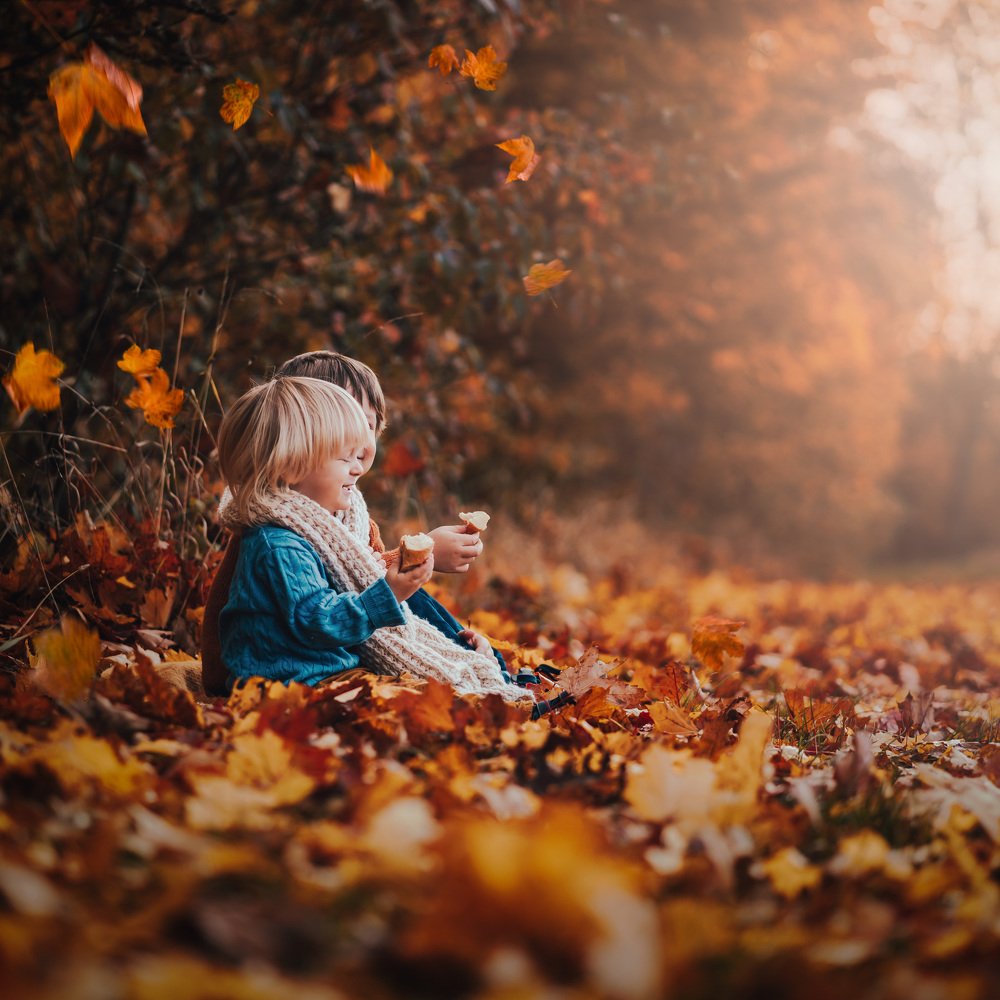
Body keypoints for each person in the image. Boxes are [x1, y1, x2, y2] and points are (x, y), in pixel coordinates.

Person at [201, 351, 501, 694]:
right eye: (342, 437)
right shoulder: (274, 535)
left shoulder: (345, 511)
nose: (358, 448)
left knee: (416, 604)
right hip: (298, 674)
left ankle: (482, 668)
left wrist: (420, 558)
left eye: (366, 426)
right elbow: (320, 605)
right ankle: (471, 679)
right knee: (408, 609)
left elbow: (363, 574)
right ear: (294, 447)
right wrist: (391, 590)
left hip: (334, 648)